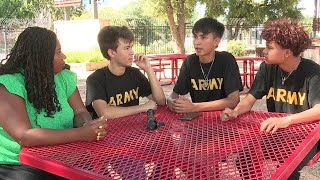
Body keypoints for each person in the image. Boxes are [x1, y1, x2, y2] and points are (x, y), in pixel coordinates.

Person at [0, 27, 108, 180]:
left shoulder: (64, 78)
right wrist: (81, 134)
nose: (64, 56)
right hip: (18, 163)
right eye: (58, 52)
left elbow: (79, 111)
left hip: (61, 153)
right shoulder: (9, 84)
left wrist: (86, 125)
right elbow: (25, 136)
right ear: (40, 57)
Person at [221, 18, 320, 179]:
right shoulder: (267, 68)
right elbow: (250, 99)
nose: (264, 51)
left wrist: (286, 121)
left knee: (287, 171)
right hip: (276, 132)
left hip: (306, 135)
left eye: (269, 47)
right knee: (244, 160)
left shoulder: (313, 72)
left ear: (287, 53)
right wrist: (235, 111)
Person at [86, 26, 166, 119]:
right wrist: (143, 107)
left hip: (131, 129)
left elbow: (161, 101)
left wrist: (148, 69)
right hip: (107, 131)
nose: (131, 52)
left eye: (131, 47)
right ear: (112, 53)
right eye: (126, 48)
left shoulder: (135, 74)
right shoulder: (96, 79)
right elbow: (105, 113)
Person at [167, 17, 243, 113]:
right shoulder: (190, 62)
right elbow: (174, 95)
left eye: (203, 37)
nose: (197, 42)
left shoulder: (226, 60)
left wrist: (195, 107)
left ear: (216, 41)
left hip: (223, 117)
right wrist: (172, 102)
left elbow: (234, 100)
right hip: (197, 119)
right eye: (195, 37)